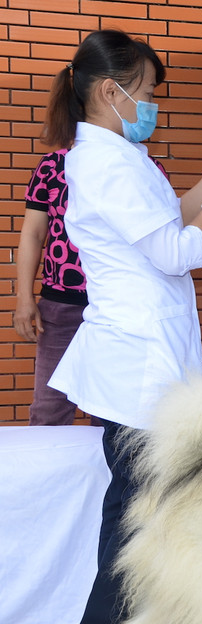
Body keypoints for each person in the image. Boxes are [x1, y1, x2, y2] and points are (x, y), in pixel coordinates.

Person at [40, 29, 202, 624]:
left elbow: (168, 218)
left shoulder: (121, 156)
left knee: (151, 515)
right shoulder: (104, 163)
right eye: (147, 92)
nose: (153, 104)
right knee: (136, 522)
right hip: (135, 372)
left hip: (148, 365)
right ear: (110, 92)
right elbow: (175, 250)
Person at [14, 149, 87, 425]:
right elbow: (33, 232)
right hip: (61, 307)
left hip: (118, 307)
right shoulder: (53, 165)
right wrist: (24, 298)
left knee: (113, 418)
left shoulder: (141, 163)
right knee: (48, 411)